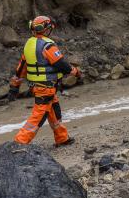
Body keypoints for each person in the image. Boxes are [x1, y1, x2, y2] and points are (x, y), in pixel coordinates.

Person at [8, 15, 79, 146]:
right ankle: (19, 142)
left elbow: (21, 68)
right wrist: (75, 71)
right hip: (46, 87)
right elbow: (61, 64)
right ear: (47, 29)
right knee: (38, 116)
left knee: (54, 112)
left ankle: (62, 138)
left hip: (39, 86)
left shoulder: (29, 44)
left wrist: (15, 86)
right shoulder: (47, 45)